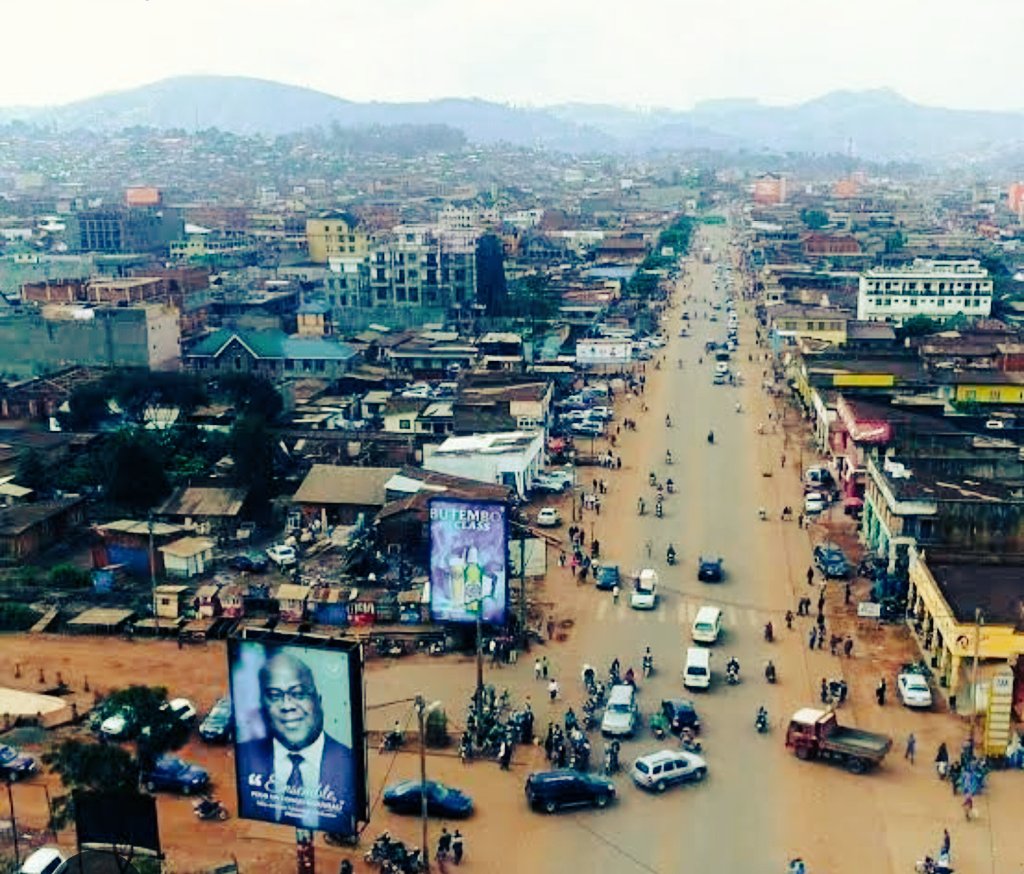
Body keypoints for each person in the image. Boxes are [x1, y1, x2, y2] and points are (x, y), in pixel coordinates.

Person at [234, 650, 356, 832]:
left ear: (318, 701)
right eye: (275, 695)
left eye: (298, 694)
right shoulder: (244, 757)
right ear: (263, 706)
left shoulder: (350, 764)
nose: (287, 706)